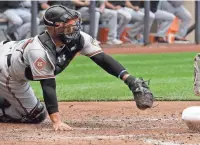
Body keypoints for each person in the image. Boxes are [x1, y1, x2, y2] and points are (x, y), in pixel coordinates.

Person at [0, 5, 154, 131]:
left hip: (8, 53)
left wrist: (129, 79)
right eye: (68, 26)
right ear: (54, 28)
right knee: (36, 115)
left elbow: (102, 58)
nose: (73, 29)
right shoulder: (39, 51)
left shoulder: (79, 38)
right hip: (6, 72)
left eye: (74, 25)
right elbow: (48, 85)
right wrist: (56, 121)